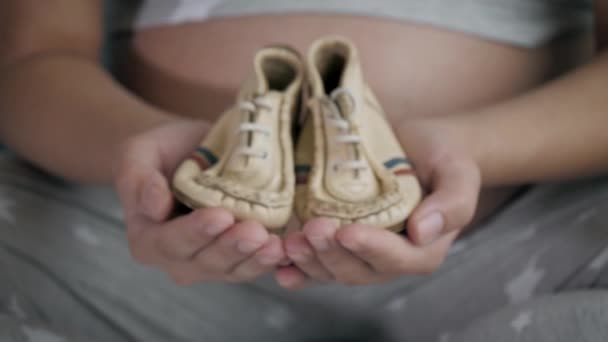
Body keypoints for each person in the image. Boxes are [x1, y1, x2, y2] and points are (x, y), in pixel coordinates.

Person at [0, 0, 607, 341]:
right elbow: (34, 59)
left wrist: (468, 149)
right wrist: (140, 153)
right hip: (141, 255)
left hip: (507, 251)